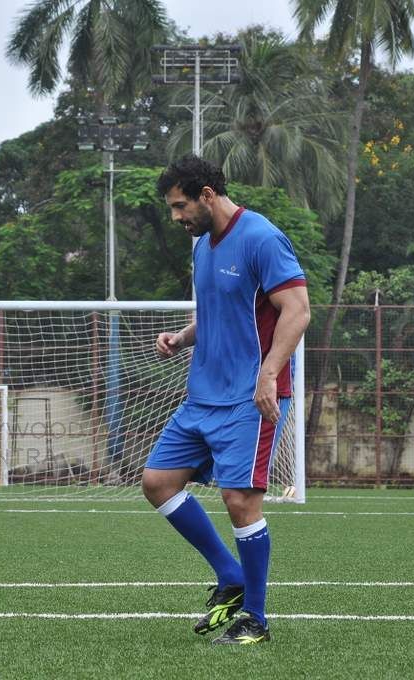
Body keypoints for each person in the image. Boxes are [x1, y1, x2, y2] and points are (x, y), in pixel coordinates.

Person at [142, 155, 310, 645]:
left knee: (241, 500)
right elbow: (219, 309)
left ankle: (255, 619)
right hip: (203, 396)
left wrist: (269, 373)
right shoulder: (202, 247)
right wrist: (183, 337)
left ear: (207, 195)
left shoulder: (261, 237)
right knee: (158, 481)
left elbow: (297, 311)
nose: (176, 217)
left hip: (250, 397)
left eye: (180, 206)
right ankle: (229, 574)